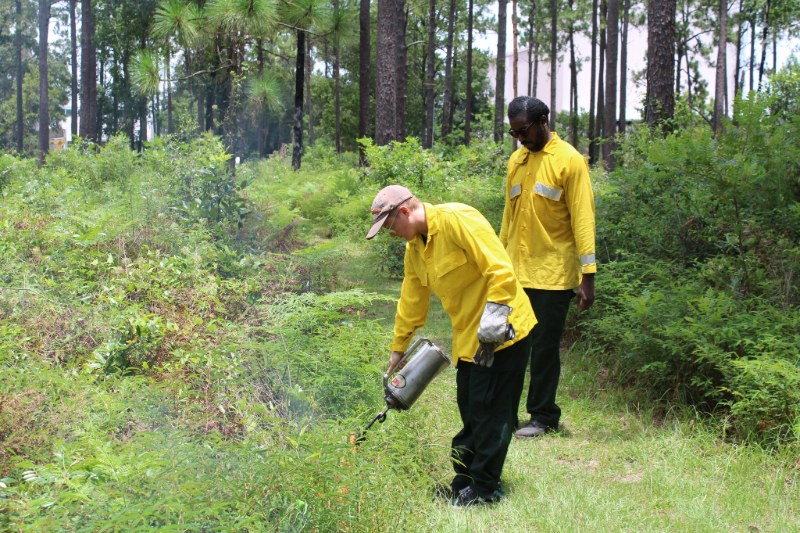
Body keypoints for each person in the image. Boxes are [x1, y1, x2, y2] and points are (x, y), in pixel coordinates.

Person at [366, 185, 536, 507]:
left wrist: (495, 320)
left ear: (404, 212)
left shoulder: (458, 219)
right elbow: (412, 299)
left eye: (390, 227)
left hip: (502, 333)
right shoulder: (415, 248)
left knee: (490, 412)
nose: (391, 234)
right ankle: (464, 484)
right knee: (470, 409)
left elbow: (499, 267)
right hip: (468, 340)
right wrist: (398, 348)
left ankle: (486, 490)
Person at [499, 96, 597, 439]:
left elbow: (583, 220)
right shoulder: (516, 160)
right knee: (508, 345)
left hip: (553, 275)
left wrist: (588, 276)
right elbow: (508, 218)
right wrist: (496, 264)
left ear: (543, 121)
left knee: (542, 347)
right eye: (514, 133)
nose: (519, 139)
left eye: (523, 131)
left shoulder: (569, 161)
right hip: (515, 271)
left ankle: (543, 416)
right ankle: (505, 414)